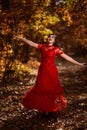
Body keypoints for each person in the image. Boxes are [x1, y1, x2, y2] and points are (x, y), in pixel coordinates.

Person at [13, 34, 85, 113]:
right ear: (47, 39)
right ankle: (44, 108)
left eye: (52, 38)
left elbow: (67, 57)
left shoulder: (56, 49)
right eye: (49, 37)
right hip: (43, 70)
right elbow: (31, 43)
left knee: (52, 88)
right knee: (42, 87)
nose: (50, 38)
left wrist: (79, 63)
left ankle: (51, 108)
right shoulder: (42, 47)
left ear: (54, 41)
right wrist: (21, 38)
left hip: (52, 71)